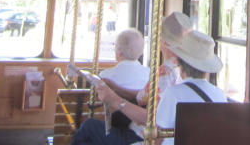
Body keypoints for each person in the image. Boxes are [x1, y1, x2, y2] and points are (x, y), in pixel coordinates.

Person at [71, 12, 192, 145]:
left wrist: (115, 99)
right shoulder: (178, 69)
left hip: (141, 135)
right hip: (141, 131)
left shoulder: (167, 72)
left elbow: (152, 118)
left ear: (164, 41)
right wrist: (116, 88)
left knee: (89, 126)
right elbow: (145, 98)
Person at [154, 29, 226, 145]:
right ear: (207, 71)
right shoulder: (220, 94)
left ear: (181, 66)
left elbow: (158, 134)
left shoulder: (173, 93)